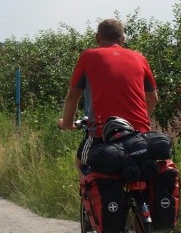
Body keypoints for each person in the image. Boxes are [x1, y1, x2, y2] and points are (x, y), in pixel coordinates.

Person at [57, 18, 158, 170]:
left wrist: (66, 124)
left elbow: (72, 97)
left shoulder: (88, 57)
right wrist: (140, 122)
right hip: (138, 134)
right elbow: (152, 98)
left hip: (100, 134)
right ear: (123, 39)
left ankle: (88, 194)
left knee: (81, 162)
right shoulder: (140, 58)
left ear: (97, 37)